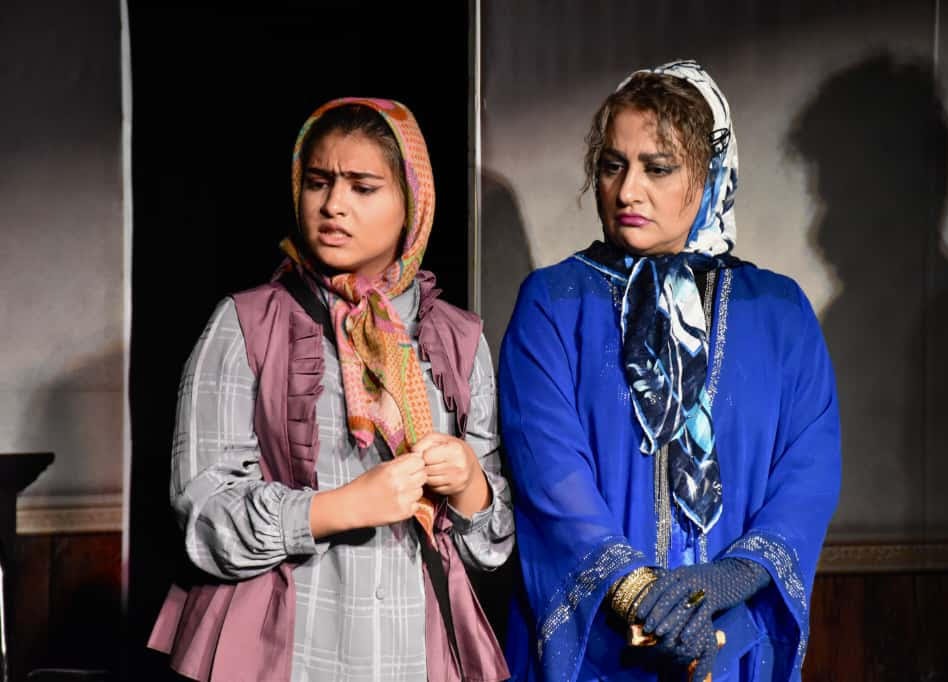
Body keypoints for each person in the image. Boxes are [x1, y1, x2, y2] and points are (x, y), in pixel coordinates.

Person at [147, 97, 513, 682]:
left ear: (412, 202)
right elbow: (204, 514)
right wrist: (336, 508)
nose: (333, 205)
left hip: (413, 653)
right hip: (282, 648)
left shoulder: (457, 339)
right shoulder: (246, 324)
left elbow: (489, 547)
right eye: (318, 182)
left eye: (362, 187)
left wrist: (470, 483)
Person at [498, 60, 841, 680]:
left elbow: (808, 470)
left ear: (712, 175)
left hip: (730, 637)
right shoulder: (554, 304)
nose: (628, 190)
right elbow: (549, 471)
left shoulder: (778, 312)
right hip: (603, 646)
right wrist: (636, 591)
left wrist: (732, 578)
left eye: (658, 168)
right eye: (612, 165)